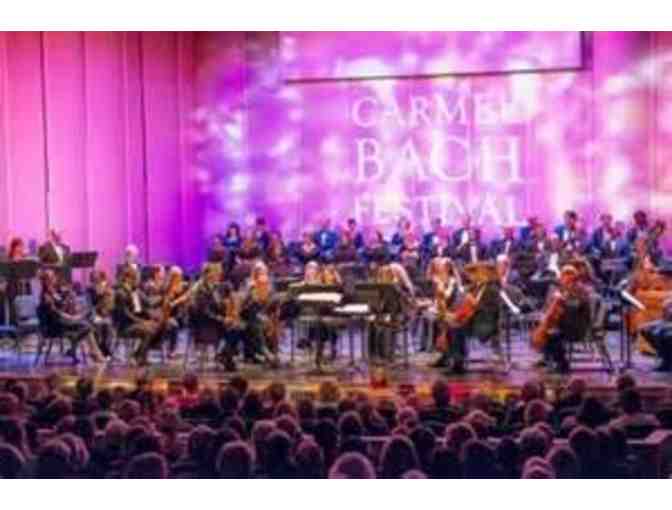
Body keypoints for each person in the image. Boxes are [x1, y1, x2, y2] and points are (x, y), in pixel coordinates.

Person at [38, 269, 104, 365]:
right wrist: (71, 318)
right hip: (54, 326)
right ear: (46, 280)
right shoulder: (46, 295)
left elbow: (61, 307)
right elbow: (55, 313)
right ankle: (91, 352)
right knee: (86, 326)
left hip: (61, 321)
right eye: (51, 277)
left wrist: (69, 299)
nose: (55, 278)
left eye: (54, 276)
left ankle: (80, 350)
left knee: (87, 321)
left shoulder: (53, 291)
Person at [537, 265, 592, 373]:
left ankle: (562, 364)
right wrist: (546, 313)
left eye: (568, 278)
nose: (565, 281)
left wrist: (562, 300)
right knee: (545, 328)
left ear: (573, 278)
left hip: (578, 327)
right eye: (563, 278)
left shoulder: (580, 290)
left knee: (552, 334)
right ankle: (548, 359)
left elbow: (574, 307)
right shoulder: (562, 289)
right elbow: (550, 307)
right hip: (566, 323)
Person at [190, 263, 238, 371]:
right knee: (232, 330)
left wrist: (229, 314)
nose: (219, 274)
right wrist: (222, 319)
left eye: (219, 272)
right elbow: (205, 311)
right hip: (204, 324)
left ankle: (224, 355)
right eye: (216, 272)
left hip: (215, 321)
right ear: (207, 274)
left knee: (237, 328)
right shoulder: (201, 289)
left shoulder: (215, 287)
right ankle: (225, 357)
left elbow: (218, 306)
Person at [113, 265, 162, 366]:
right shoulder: (121, 293)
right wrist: (142, 321)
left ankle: (139, 355)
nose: (138, 281)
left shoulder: (135, 291)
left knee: (157, 327)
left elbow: (146, 304)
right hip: (125, 326)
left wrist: (163, 298)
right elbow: (125, 314)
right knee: (149, 330)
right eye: (136, 278)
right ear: (128, 279)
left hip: (135, 322)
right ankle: (138, 356)